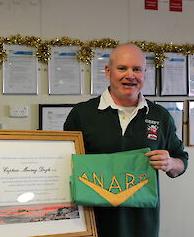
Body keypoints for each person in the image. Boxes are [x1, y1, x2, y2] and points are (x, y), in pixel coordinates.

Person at [64, 43, 188, 237]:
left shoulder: (160, 116)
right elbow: (66, 166)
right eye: (122, 68)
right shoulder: (81, 114)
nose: (130, 75)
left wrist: (171, 162)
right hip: (91, 226)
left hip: (142, 227)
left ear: (144, 73)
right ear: (108, 71)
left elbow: (182, 162)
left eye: (137, 69)